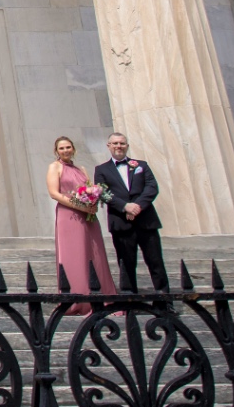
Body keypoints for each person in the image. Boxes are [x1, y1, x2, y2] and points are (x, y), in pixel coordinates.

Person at [49, 135, 115, 314]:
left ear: (73, 149)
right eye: (62, 148)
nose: (65, 151)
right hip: (68, 216)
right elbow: (54, 193)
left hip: (87, 217)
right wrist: (80, 206)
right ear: (56, 151)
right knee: (74, 254)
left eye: (68, 147)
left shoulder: (81, 169)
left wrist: (91, 204)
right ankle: (77, 297)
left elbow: (90, 188)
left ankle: (101, 295)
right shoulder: (55, 167)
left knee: (93, 252)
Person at [94, 132, 168, 292]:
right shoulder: (101, 169)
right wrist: (125, 207)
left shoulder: (142, 165)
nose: (118, 146)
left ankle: (165, 301)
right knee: (126, 263)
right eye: (115, 143)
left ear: (127, 146)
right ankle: (130, 301)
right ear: (109, 146)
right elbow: (102, 192)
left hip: (146, 221)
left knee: (156, 262)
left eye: (121, 143)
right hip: (121, 223)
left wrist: (137, 207)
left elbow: (151, 187)